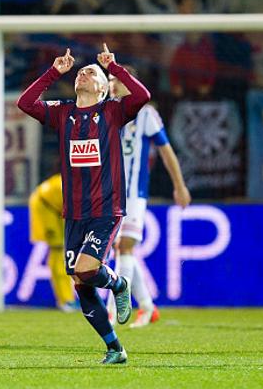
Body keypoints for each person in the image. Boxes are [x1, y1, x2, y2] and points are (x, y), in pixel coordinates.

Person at [17, 43, 151, 364]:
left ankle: (119, 284)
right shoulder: (62, 113)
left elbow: (142, 97)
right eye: (81, 71)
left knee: (85, 269)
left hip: (106, 207)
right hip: (74, 213)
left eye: (91, 72)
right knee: (81, 282)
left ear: (104, 90)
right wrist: (54, 72)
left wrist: (115, 68)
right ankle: (114, 348)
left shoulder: (113, 112)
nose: (83, 73)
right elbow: (25, 102)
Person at [105, 65, 191, 328]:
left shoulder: (146, 113)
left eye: (118, 80)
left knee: (125, 247)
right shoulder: (106, 111)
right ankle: (148, 307)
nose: (113, 85)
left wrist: (179, 185)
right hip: (109, 194)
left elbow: (166, 151)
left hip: (134, 194)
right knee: (121, 249)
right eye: (110, 80)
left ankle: (112, 312)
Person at [28, 173, 79, 312]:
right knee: (60, 253)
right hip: (46, 210)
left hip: (50, 209)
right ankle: (66, 300)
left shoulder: (71, 182)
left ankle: (65, 300)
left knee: (59, 254)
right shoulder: (72, 187)